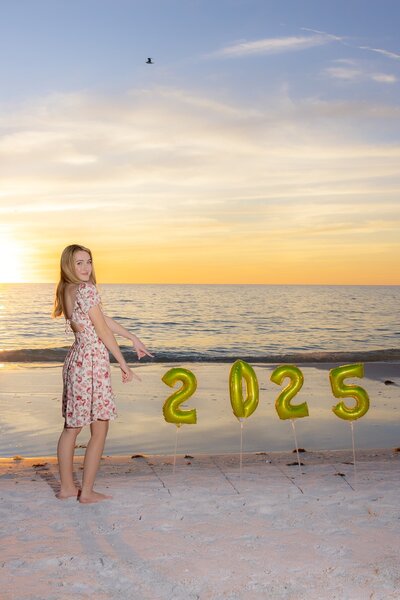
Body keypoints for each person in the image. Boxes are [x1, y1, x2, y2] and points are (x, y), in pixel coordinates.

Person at [52, 244, 153, 503]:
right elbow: (103, 332)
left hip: (77, 360)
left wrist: (132, 337)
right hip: (92, 365)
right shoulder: (86, 289)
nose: (86, 268)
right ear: (68, 266)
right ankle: (86, 492)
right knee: (99, 428)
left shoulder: (67, 289)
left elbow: (102, 319)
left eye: (89, 262)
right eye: (79, 263)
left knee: (72, 427)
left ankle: (66, 488)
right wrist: (123, 363)